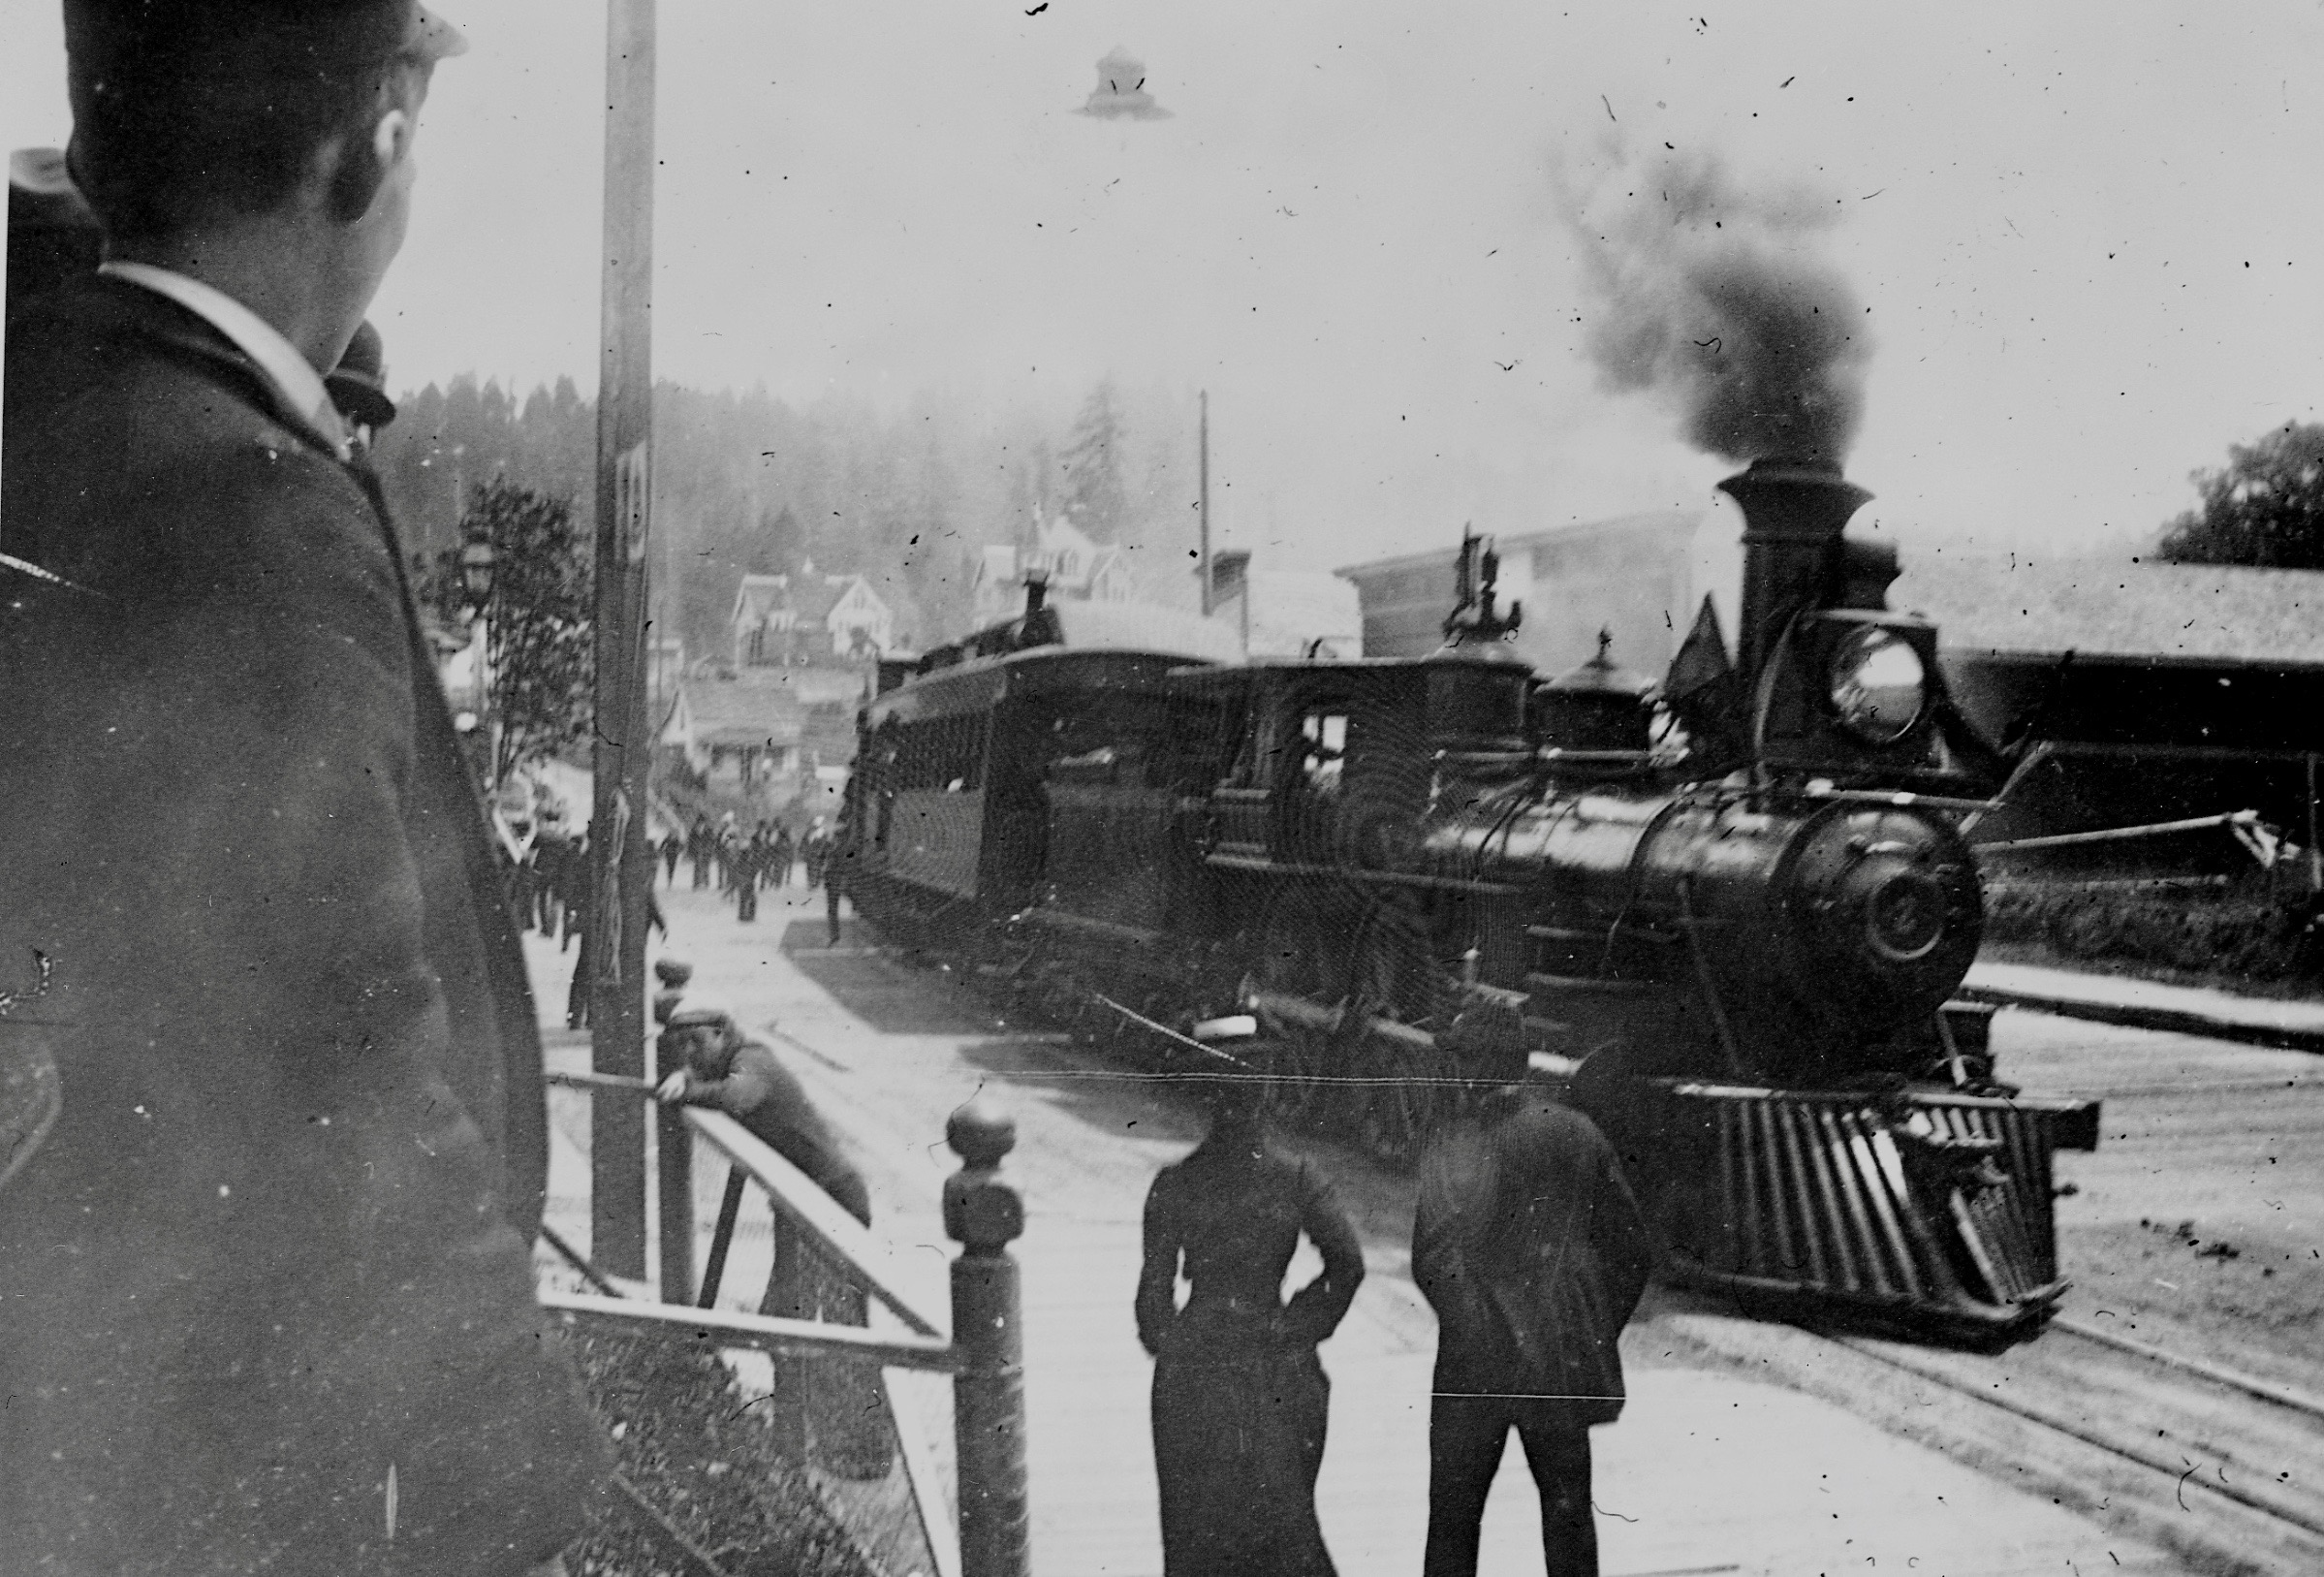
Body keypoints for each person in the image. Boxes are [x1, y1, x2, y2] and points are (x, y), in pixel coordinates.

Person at [0, 3, 609, 1571]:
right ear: (378, 139)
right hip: (225, 1456)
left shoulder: (52, 390)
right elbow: (342, 1040)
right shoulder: (250, 501)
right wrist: (513, 1449)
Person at [1410, 999, 1654, 1577]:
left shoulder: (1457, 1142)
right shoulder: (1577, 1132)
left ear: (1473, 1070)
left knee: (1453, 1522)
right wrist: (1591, 1331)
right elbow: (1633, 1253)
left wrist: (1483, 1333)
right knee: (1568, 1519)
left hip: (1475, 1370)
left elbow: (1432, 1260)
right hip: (1560, 1362)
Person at [1135, 1022, 1366, 1577]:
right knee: (1284, 1532)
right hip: (1275, 1367)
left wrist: (1184, 1344)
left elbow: (1151, 1307)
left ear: (1209, 1093)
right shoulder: (1296, 1178)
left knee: (1196, 1538)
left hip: (1195, 1372)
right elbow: (1349, 1265)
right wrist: (1292, 1329)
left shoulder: (1175, 1182)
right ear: (1268, 1091)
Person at [654, 1009, 889, 1476]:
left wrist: (689, 1088)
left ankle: (862, 1453)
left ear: (723, 1033)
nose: (690, 1055)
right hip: (797, 1205)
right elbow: (705, 1078)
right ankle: (805, 1443)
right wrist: (686, 1075)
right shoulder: (727, 1059)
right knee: (788, 1315)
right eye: (683, 1047)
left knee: (836, 1325)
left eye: (697, 1043)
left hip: (831, 1202)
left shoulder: (753, 1059)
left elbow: (739, 1097)